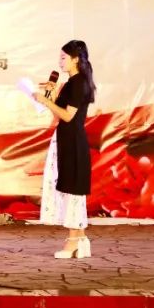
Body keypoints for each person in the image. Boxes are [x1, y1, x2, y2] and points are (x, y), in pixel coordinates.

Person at [34, 40, 96, 259]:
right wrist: (50, 97)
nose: (60, 62)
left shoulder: (78, 83)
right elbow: (59, 115)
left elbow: (69, 116)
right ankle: (80, 240)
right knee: (70, 190)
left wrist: (45, 101)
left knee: (72, 191)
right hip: (66, 139)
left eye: (63, 58)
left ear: (75, 59)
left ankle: (73, 242)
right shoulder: (72, 82)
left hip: (72, 142)